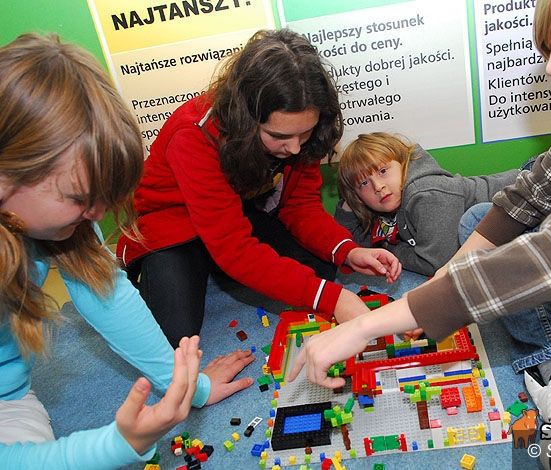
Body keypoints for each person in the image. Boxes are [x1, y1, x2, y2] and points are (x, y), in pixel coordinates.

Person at [291, 0, 551, 463]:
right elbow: (534, 191)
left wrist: (369, 325)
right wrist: (446, 277)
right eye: (550, 47)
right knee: (479, 223)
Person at [0, 33, 254, 469]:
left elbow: (108, 293)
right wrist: (118, 444)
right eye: (79, 199)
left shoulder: (61, 220)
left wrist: (190, 386)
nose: (97, 214)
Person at [117, 29, 401, 347]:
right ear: (246, 118)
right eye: (279, 136)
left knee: (320, 269)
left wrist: (348, 250)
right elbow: (234, 249)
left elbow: (301, 206)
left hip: (235, 211)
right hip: (172, 224)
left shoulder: (302, 130)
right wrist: (333, 299)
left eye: (304, 133)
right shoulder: (193, 135)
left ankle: (217, 268)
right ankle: (189, 268)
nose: (295, 148)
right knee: (174, 337)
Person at [334, 132, 518, 276]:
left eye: (383, 171)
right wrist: (351, 200)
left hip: (524, 196)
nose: (378, 186)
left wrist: (387, 249)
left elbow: (435, 263)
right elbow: (351, 244)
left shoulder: (426, 193)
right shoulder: (387, 200)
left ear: (403, 163)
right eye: (364, 183)